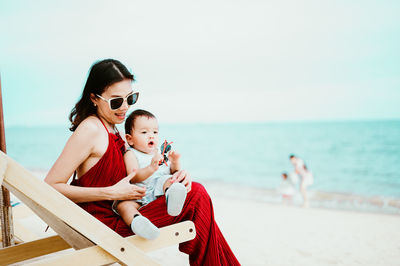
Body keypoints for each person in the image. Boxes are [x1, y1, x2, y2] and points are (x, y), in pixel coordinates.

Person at [44, 59, 240, 266]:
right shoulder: (91, 129)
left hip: (124, 215)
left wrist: (177, 174)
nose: (125, 107)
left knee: (195, 196)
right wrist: (110, 192)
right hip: (105, 226)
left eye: (131, 98)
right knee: (197, 197)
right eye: (116, 102)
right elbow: (49, 187)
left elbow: (138, 175)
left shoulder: (112, 128)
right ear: (94, 98)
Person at [114, 109, 187, 240]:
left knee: (169, 180)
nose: (151, 136)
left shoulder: (159, 152)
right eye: (144, 132)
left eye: (155, 132)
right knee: (123, 205)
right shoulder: (131, 154)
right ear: (129, 139)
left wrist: (175, 162)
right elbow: (133, 176)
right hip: (138, 193)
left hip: (158, 191)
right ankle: (138, 222)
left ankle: (173, 197)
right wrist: (151, 168)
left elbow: (173, 172)